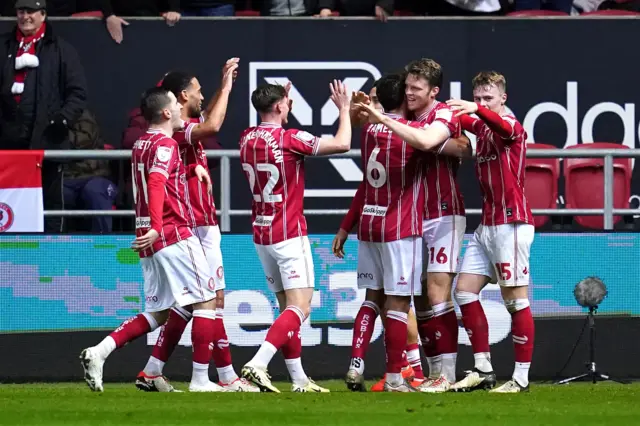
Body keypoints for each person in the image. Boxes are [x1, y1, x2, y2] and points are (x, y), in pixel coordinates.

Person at [80, 87, 223, 393]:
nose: (181, 110)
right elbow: (157, 182)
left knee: (159, 312)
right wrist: (158, 226)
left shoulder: (142, 143)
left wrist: (190, 167)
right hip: (171, 232)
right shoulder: (166, 143)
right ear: (167, 112)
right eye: (176, 104)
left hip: (148, 236)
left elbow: (158, 177)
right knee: (207, 299)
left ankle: (100, 352)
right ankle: (200, 379)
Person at [135, 61, 259, 393]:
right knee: (210, 300)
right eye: (199, 89)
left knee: (193, 303)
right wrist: (229, 87)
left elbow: (211, 114)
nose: (204, 95)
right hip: (195, 224)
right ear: (182, 96)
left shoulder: (187, 120)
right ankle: (221, 376)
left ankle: (153, 368)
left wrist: (223, 85)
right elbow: (215, 125)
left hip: (202, 219)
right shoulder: (179, 129)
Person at [238, 80, 352, 393]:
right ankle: (259, 362)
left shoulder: (246, 137)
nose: (290, 107)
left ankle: (299, 379)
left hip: (261, 233)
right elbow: (342, 144)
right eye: (287, 103)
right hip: (288, 233)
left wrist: (282, 96)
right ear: (278, 106)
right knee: (300, 308)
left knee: (287, 309)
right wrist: (344, 109)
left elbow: (274, 130)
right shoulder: (290, 139)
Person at [334, 73, 428, 392]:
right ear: (404, 98)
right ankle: (394, 377)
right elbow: (431, 143)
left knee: (372, 298)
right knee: (399, 304)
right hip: (399, 227)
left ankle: (355, 364)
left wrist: (347, 226)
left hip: (370, 225)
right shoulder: (413, 132)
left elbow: (364, 183)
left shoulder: (369, 130)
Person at [446, 71, 534, 393]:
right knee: (464, 291)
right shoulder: (481, 128)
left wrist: (474, 109)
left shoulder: (511, 127)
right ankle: (483, 368)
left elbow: (503, 126)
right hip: (487, 227)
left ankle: (521, 379)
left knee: (516, 301)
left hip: (511, 225)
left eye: (488, 98)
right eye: (479, 98)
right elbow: (456, 117)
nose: (482, 104)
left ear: (502, 99)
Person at [0, 0, 87, 233]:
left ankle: (52, 255)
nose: (25, 16)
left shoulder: (62, 49)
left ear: (43, 15)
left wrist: (63, 119)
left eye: (31, 11)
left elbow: (77, 93)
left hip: (47, 140)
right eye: (21, 11)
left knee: (50, 205)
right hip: (7, 144)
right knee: (6, 205)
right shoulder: (3, 46)